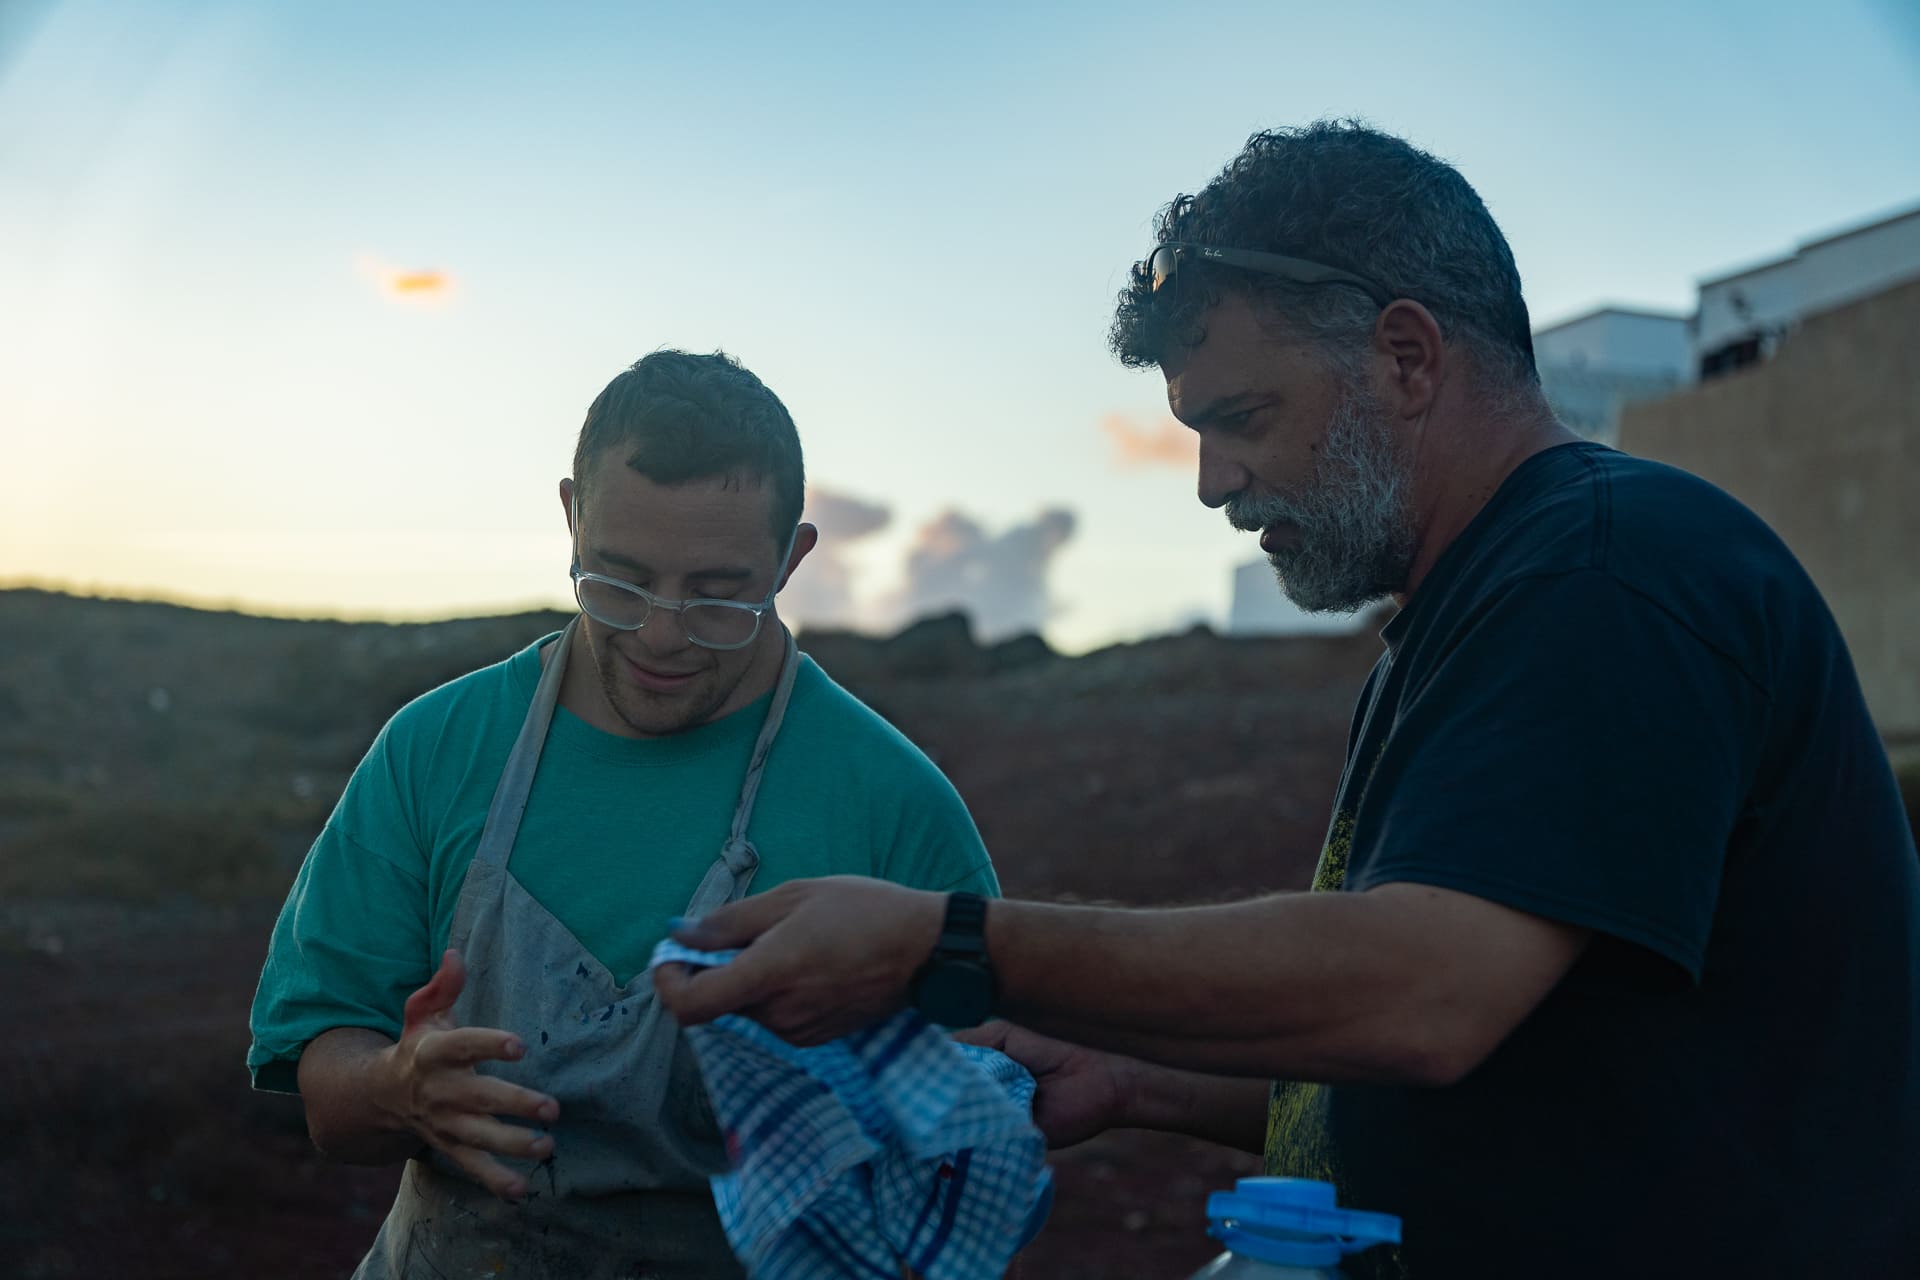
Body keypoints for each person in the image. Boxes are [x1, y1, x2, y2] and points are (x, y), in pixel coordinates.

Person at [654, 123, 1920, 1277]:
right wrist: (1127, 1074)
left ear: (1408, 356)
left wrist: (949, 942)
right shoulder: (1467, 618)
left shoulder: (1607, 578)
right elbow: (1512, 1053)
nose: (1213, 481)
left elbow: (1425, 990)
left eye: (1242, 417)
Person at [247, 350, 1000, 1279]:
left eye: (720, 593)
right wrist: (396, 1089)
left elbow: (970, 1143)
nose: (661, 634)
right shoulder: (434, 749)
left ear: (793, 558)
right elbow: (329, 1094)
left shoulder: (895, 806)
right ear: (572, 517)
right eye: (620, 579)